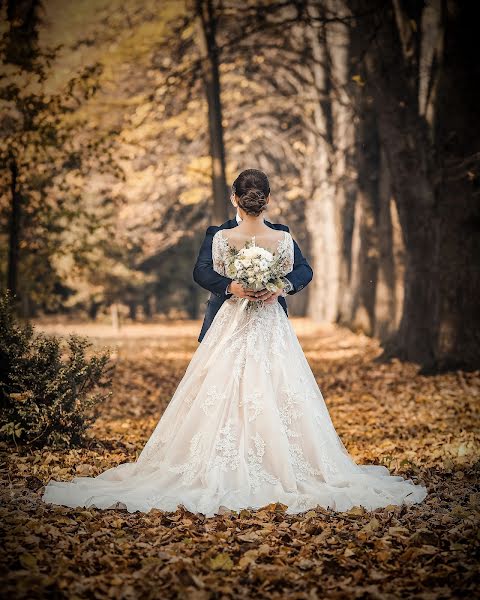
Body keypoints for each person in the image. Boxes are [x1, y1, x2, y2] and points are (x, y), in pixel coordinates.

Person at [42, 169, 427, 516]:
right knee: (229, 389)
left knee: (270, 388)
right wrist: (234, 286)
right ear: (267, 199)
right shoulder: (247, 236)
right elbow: (203, 272)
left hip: (262, 321)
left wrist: (279, 287)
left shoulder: (241, 237)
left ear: (235, 198)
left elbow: (302, 271)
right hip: (234, 322)